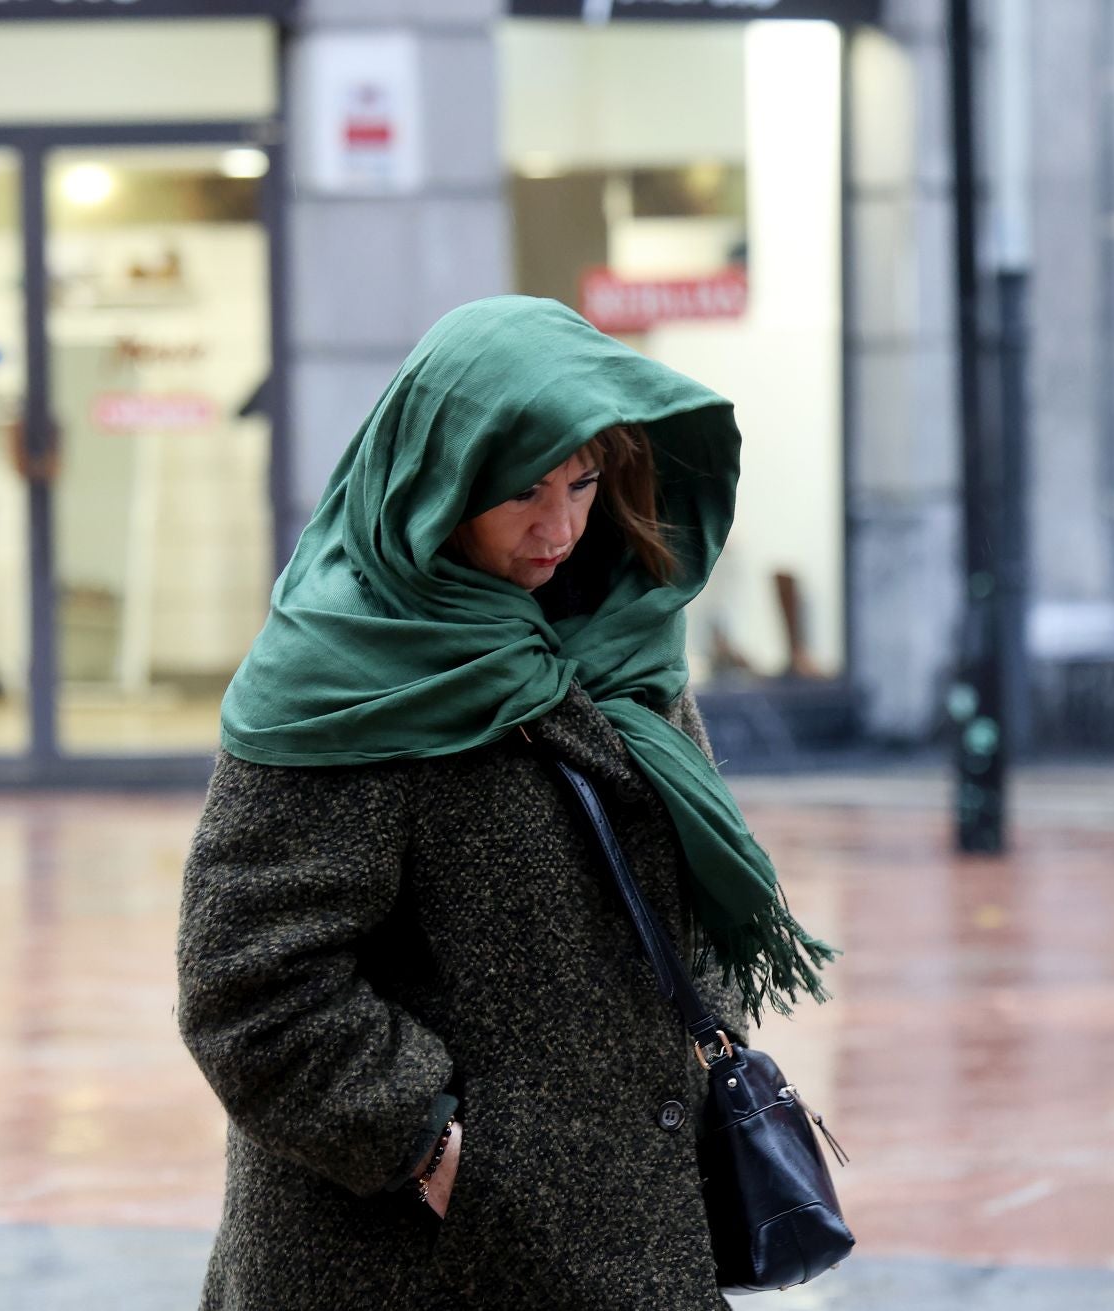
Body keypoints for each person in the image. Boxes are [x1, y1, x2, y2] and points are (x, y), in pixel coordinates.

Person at [176, 296, 832, 1309]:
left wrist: (714, 1043)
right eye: (524, 492)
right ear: (443, 480)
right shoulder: (345, 674)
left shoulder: (621, 637)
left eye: (584, 483)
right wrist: (437, 1153)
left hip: (623, 1223)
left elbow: (678, 888)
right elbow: (249, 987)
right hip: (410, 1264)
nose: (562, 527)